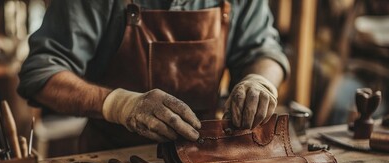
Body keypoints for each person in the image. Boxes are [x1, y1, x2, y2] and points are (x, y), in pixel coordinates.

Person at [18, 0, 290, 153]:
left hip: (207, 156)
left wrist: (260, 80)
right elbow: (42, 74)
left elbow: (264, 50)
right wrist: (122, 104)